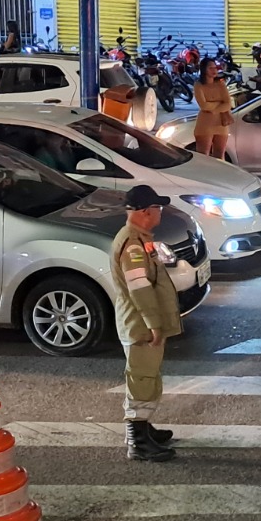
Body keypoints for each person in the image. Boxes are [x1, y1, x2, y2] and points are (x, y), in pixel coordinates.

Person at [110, 185, 182, 462]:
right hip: (140, 324)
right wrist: (154, 324)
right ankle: (138, 442)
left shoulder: (137, 239)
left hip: (139, 321)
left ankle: (144, 429)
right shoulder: (133, 246)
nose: (159, 213)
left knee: (146, 377)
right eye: (157, 208)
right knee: (141, 380)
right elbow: (139, 288)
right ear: (144, 212)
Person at [193, 59, 233, 159]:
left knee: (220, 154)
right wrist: (220, 104)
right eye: (211, 68)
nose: (214, 70)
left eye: (215, 68)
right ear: (204, 69)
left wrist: (213, 108)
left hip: (221, 123)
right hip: (205, 124)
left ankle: (219, 174)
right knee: (203, 155)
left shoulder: (220, 84)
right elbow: (203, 106)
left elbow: (228, 104)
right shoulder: (198, 85)